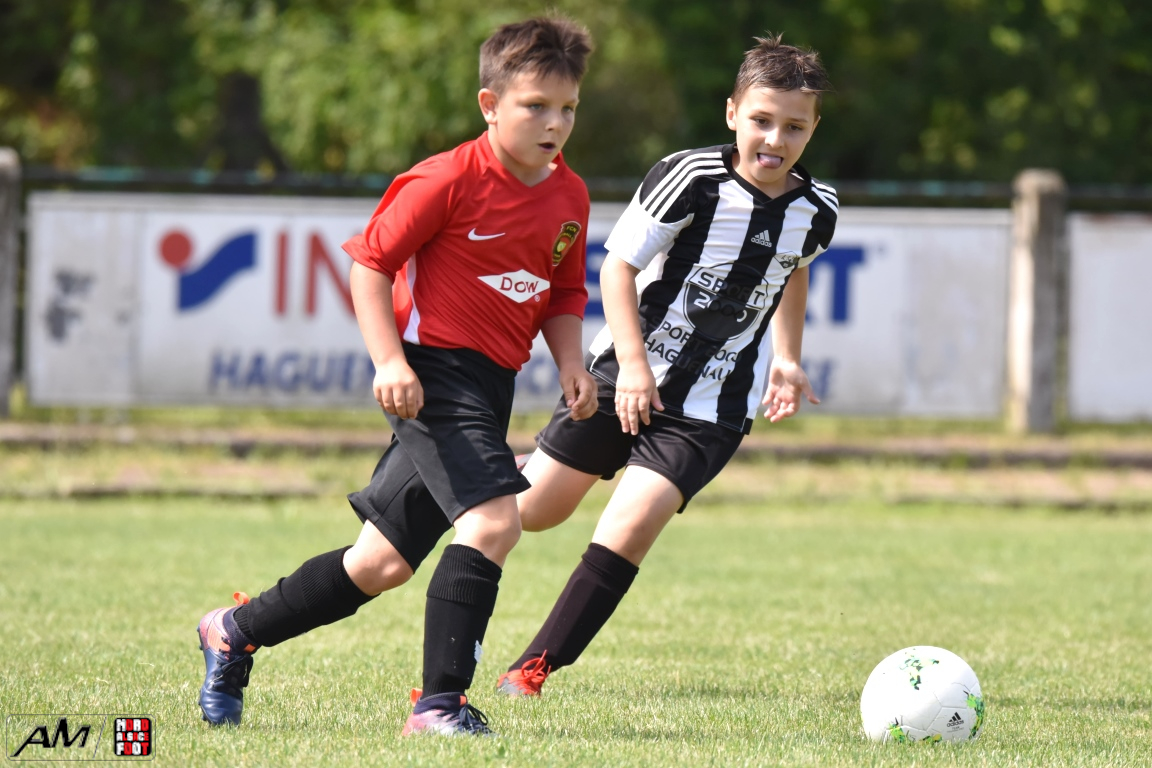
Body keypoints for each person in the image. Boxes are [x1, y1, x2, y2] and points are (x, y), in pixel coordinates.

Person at [195, 16, 596, 737]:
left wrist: (571, 361)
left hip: (491, 386)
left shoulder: (570, 195)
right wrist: (389, 361)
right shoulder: (447, 178)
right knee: (493, 522)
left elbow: (563, 289)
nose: (554, 123)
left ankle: (232, 632)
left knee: (379, 564)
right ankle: (440, 705)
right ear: (489, 105)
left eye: (567, 108)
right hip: (433, 375)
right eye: (535, 105)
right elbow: (370, 266)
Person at [494, 33, 838, 698]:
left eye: (794, 127)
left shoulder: (817, 208)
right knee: (533, 513)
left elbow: (793, 270)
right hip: (624, 374)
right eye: (762, 120)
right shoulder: (690, 177)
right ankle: (482, 473)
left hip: (711, 408)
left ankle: (533, 669)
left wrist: (788, 358)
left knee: (631, 524)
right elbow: (617, 268)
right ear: (732, 113)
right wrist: (632, 367)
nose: (775, 139)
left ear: (813, 129)